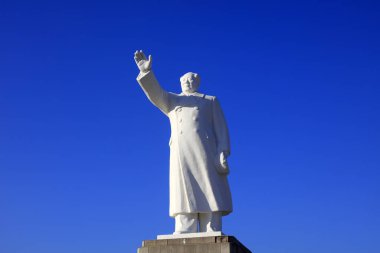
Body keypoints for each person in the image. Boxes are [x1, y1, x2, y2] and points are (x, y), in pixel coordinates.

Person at [134, 50, 232, 234]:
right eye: (184, 80)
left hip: (205, 150)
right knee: (182, 188)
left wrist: (222, 151)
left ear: (198, 82)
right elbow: (155, 94)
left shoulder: (210, 101)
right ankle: (184, 227)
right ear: (180, 83)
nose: (188, 82)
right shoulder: (172, 100)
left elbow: (221, 128)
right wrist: (146, 73)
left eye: (191, 80)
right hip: (181, 152)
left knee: (209, 186)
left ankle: (211, 226)